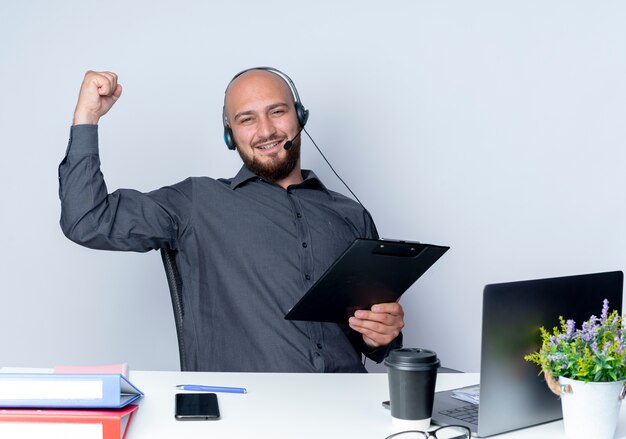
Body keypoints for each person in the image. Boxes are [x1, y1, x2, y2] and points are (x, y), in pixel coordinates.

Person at [58, 67, 404, 372]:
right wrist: (86, 117)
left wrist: (383, 335)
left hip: (347, 412)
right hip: (247, 416)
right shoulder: (196, 202)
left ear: (300, 117)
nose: (266, 130)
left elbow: (375, 341)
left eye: (277, 111)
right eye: (247, 118)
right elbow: (87, 221)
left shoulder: (351, 214)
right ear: (230, 134)